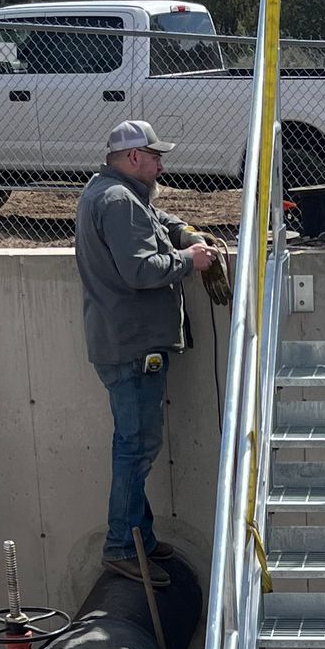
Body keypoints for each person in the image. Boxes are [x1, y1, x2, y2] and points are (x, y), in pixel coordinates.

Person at [74, 118, 216, 584]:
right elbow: (141, 269)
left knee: (137, 444)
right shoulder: (117, 200)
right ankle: (121, 545)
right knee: (135, 447)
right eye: (155, 155)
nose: (160, 163)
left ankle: (141, 536)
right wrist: (189, 261)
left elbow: (160, 223)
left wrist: (189, 234)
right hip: (132, 346)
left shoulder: (114, 191)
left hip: (124, 342)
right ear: (133, 157)